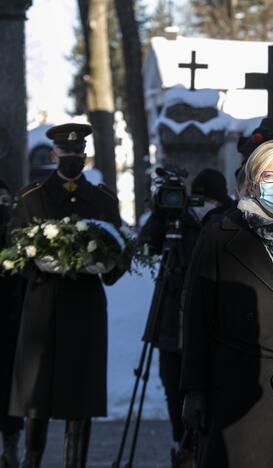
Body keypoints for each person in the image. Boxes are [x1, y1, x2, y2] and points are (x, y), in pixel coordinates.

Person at [180, 140, 273, 468]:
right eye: (270, 175)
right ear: (251, 182)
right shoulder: (221, 234)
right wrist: (194, 389)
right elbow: (197, 317)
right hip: (238, 384)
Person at [8, 123, 125, 467]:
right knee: (36, 391)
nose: (72, 158)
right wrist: (39, 264)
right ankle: (32, 459)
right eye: (66, 152)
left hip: (84, 307)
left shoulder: (102, 199)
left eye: (78, 153)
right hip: (43, 305)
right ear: (53, 155)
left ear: (85, 156)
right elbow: (16, 251)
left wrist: (103, 266)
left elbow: (118, 253)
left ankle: (76, 462)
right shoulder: (33, 198)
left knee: (81, 390)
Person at [138, 167, 231, 464]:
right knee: (171, 386)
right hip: (170, 324)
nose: (200, 205)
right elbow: (147, 244)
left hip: (207, 324)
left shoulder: (226, 222)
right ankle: (183, 445)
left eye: (207, 200)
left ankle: (198, 446)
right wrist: (161, 211)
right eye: (197, 198)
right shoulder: (179, 221)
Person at [0, 181, 23, 468]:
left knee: (9, 387)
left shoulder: (16, 232)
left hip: (12, 319)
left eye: (4, 199)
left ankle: (11, 446)